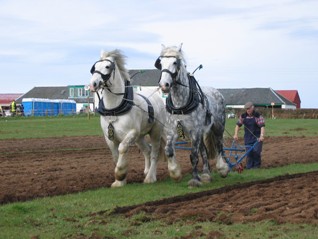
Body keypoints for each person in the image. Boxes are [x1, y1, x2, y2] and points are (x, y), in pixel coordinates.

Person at [233, 102, 265, 169]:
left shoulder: (258, 116)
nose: (248, 110)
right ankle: (249, 167)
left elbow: (262, 127)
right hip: (248, 138)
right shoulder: (243, 116)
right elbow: (238, 125)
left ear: (252, 108)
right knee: (249, 153)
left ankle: (256, 167)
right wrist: (236, 134)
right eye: (246, 109)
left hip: (257, 137)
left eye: (249, 108)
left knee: (256, 152)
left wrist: (261, 136)